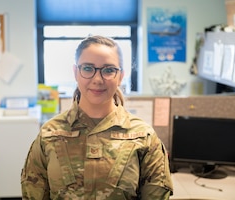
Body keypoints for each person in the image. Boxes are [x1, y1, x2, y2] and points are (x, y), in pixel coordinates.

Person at [21, 35, 173, 199]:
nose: (97, 79)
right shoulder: (50, 134)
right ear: (75, 72)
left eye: (109, 70)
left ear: (121, 76)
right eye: (87, 68)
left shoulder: (144, 136)